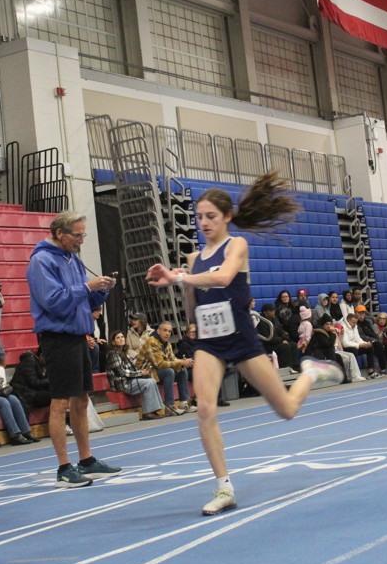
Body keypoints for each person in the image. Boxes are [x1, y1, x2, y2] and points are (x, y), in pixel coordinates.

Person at [146, 172, 343, 515]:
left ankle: (310, 373)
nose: (204, 222)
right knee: (205, 409)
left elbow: (224, 277)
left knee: (286, 410)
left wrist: (180, 277)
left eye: (211, 216)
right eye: (199, 217)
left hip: (242, 339)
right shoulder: (193, 260)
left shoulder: (236, 246)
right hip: (209, 343)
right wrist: (185, 285)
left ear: (226, 217)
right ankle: (224, 487)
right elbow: (192, 313)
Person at [27, 211, 122, 488]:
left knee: (81, 399)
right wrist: (87, 287)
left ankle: (86, 460)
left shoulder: (73, 259)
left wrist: (102, 289)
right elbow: (54, 301)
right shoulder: (41, 261)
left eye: (83, 235)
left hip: (79, 336)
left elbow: (87, 300)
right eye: (77, 235)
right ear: (59, 233)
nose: (81, 240)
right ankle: (64, 468)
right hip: (57, 338)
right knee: (60, 403)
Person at [136, 321, 196, 415]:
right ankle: (169, 405)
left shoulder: (167, 344)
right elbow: (160, 364)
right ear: (158, 331)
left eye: (169, 331)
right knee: (169, 372)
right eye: (165, 330)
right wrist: (180, 362)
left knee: (181, 370)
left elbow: (173, 359)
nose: (167, 333)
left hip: (157, 372)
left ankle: (184, 403)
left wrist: (183, 362)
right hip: (145, 373)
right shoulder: (151, 342)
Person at [104, 330, 165, 419]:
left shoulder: (123, 352)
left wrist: (142, 371)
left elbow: (132, 368)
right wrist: (139, 373)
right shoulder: (113, 354)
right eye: (118, 338)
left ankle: (156, 409)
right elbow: (121, 372)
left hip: (129, 380)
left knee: (152, 380)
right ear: (113, 342)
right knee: (149, 383)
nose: (121, 339)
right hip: (122, 383)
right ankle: (148, 412)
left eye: (122, 337)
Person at [10, 346, 53, 416]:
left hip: (34, 392)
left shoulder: (41, 364)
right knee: (56, 396)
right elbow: (33, 383)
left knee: (59, 392)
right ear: (42, 355)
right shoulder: (29, 361)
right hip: (25, 394)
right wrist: (50, 380)